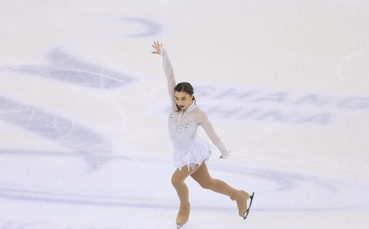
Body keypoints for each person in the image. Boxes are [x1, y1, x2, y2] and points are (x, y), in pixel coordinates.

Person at [151, 41, 254, 228]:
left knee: (176, 180)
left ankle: (184, 207)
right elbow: (170, 77)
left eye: (183, 98)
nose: (179, 102)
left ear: (192, 96)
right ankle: (238, 195)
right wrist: (164, 54)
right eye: (177, 98)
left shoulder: (199, 115)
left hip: (192, 153)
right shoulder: (174, 107)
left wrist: (225, 151)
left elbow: (213, 135)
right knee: (207, 183)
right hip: (181, 152)